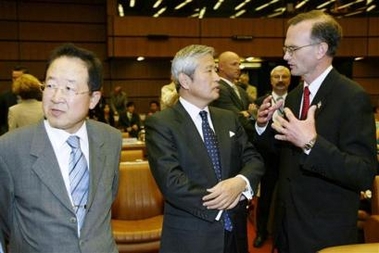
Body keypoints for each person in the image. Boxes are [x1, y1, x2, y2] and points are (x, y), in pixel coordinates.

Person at [255, 10, 377, 253]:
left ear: (320, 49)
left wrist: (311, 143)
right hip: (287, 224)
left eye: (292, 49)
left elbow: (363, 173)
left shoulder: (352, 97)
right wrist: (262, 126)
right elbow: (283, 155)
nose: (284, 56)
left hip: (325, 231)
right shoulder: (294, 96)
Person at [0, 43, 122, 253]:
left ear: (93, 99)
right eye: (50, 85)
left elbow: (107, 197)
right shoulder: (10, 148)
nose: (56, 98)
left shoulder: (110, 138)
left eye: (69, 88)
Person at [145, 44, 265, 253]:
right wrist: (223, 199)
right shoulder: (162, 123)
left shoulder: (228, 118)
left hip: (236, 235)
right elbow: (172, 183)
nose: (217, 78)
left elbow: (253, 159)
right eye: (209, 70)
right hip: (192, 237)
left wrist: (239, 183)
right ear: (185, 80)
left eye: (216, 70)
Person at [252, 65, 291, 248]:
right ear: (271, 80)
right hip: (267, 159)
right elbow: (253, 134)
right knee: (265, 199)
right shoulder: (259, 102)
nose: (281, 79)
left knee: (288, 199)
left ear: (290, 79)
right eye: (277, 76)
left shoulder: (298, 100)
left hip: (291, 158)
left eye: (284, 76)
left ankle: (284, 234)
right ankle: (261, 232)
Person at [211, 51, 256, 142]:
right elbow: (235, 118)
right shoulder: (218, 88)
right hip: (229, 140)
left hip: (244, 140)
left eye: (239, 64)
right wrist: (251, 116)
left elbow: (255, 110)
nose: (238, 68)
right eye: (234, 64)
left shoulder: (241, 90)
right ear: (221, 66)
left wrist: (249, 114)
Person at [0, 65, 28, 135]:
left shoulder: (36, 97)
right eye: (14, 78)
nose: (16, 81)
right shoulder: (5, 97)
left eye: (19, 78)